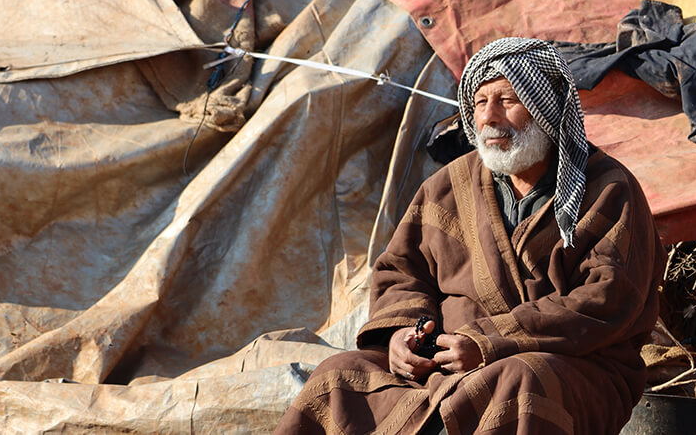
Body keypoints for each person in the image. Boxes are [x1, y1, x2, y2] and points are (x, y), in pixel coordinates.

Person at [273, 37, 666, 434]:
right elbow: (402, 273)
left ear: (547, 107)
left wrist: (491, 341)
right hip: (445, 363)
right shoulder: (449, 184)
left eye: (507, 100)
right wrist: (402, 337)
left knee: (520, 381)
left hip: (573, 362)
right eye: (480, 103)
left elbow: (606, 300)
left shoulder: (609, 190)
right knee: (339, 376)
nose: (489, 118)